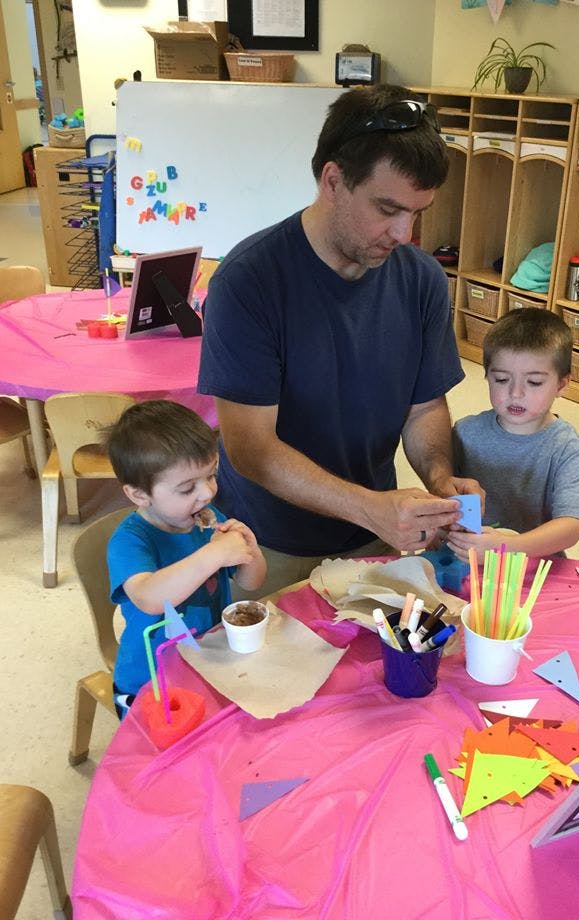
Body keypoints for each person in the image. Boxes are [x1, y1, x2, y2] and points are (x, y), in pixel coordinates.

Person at [198, 84, 483, 597]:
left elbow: (424, 409)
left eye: (417, 213)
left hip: (373, 532)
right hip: (263, 543)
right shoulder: (249, 280)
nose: (404, 233)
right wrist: (370, 506)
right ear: (333, 180)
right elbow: (252, 450)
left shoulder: (421, 280)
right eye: (388, 208)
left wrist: (440, 481)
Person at [103, 400, 266, 717]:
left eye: (211, 475)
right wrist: (212, 555)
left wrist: (250, 550)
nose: (206, 493)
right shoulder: (129, 541)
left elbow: (250, 582)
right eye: (187, 487)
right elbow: (150, 598)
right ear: (140, 495)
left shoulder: (206, 518)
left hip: (209, 662)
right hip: (151, 682)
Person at [447, 308, 579, 561]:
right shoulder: (465, 433)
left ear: (562, 385)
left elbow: (571, 526)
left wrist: (506, 547)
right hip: (470, 561)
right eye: (501, 379)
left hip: (535, 562)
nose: (516, 393)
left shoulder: (566, 446)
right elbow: (445, 497)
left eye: (534, 383)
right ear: (487, 376)